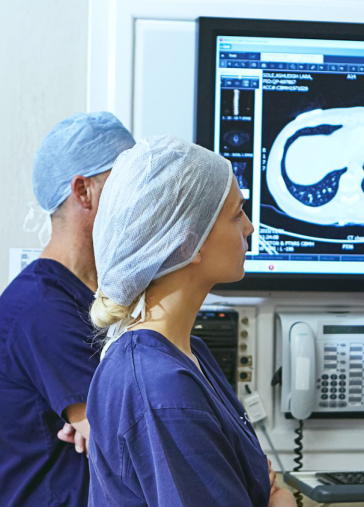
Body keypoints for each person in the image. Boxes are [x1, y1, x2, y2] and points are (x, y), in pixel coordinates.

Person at [86, 136, 295, 506]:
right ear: (187, 244)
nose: (249, 228)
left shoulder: (188, 354)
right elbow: (264, 489)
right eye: (237, 214)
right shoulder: (161, 387)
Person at [0, 112, 134, 506]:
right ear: (83, 191)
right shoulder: (43, 311)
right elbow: (126, 446)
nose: (141, 198)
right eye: (127, 184)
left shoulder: (97, 298)